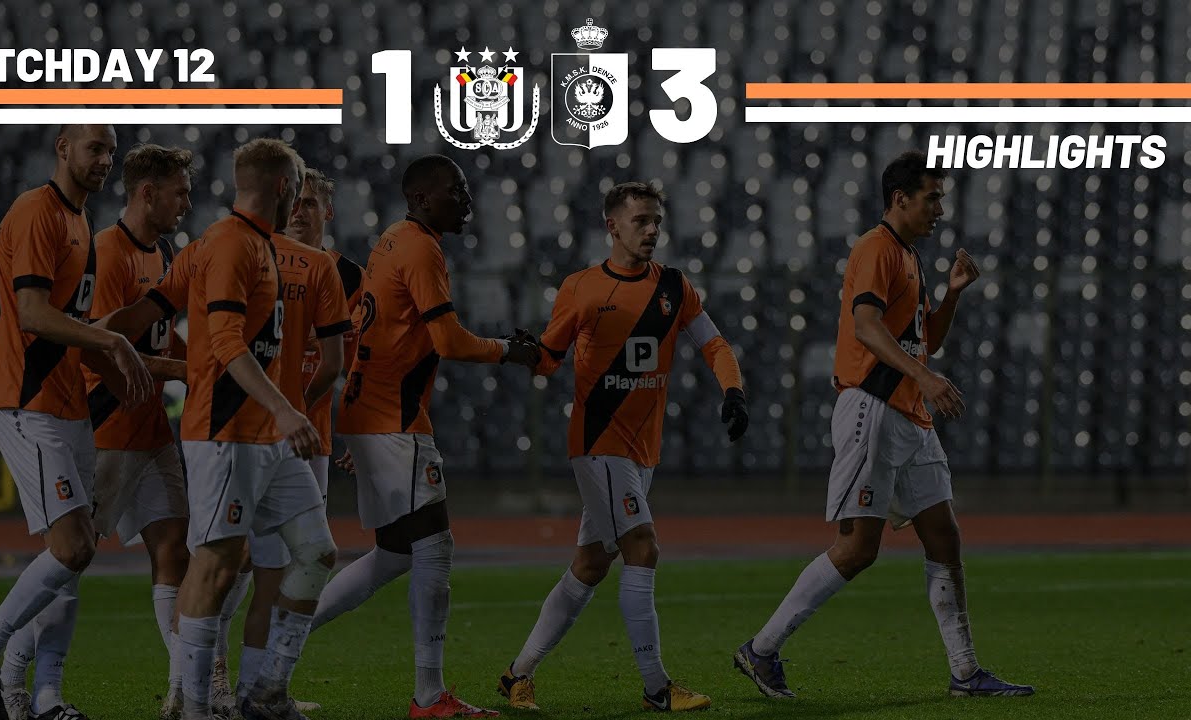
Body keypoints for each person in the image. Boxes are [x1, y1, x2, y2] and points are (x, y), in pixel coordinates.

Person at [732, 150, 1034, 699]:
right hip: (872, 407)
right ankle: (762, 649)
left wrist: (952, 295)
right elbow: (867, 329)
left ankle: (966, 674)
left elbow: (923, 339)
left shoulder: (909, 257)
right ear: (900, 199)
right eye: (932, 197)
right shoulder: (875, 249)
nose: (940, 208)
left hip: (908, 414)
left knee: (944, 536)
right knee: (857, 547)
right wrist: (925, 378)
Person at [495, 181, 749, 713]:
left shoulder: (675, 288)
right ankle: (657, 688)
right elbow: (549, 358)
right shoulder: (582, 288)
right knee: (643, 548)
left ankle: (517, 676)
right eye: (640, 221)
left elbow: (715, 343)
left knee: (589, 565)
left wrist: (733, 390)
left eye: (656, 220)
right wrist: (521, 353)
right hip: (598, 444)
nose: (652, 229)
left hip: (641, 451)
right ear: (612, 225)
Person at [308, 154, 538, 718]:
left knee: (394, 554)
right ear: (420, 199)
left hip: (373, 412)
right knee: (434, 546)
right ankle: (430, 695)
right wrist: (511, 351)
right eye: (453, 190)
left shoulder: (391, 240)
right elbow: (449, 342)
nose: (464, 198)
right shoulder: (420, 247)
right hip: (394, 418)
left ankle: (281, 635)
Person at [128, 137, 333, 720]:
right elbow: (222, 342)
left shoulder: (252, 245)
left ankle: (266, 692)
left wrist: (106, 337)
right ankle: (192, 705)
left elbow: (149, 311)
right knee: (217, 562)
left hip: (266, 437)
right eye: (297, 187)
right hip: (227, 433)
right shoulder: (229, 245)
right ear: (282, 188)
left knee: (317, 552)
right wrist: (287, 410)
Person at [0, 123, 154, 720]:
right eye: (95, 148)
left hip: (65, 404)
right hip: (26, 399)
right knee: (70, 547)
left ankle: (41, 698)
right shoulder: (36, 213)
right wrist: (114, 342)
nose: (104, 160)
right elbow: (37, 316)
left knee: (78, 552)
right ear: (62, 149)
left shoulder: (78, 223)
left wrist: (140, 367)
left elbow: (80, 333)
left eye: (111, 152)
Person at [0, 143, 195, 720]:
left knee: (173, 549)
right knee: (69, 557)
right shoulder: (105, 254)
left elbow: (157, 340)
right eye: (178, 191)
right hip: (106, 427)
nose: (186, 202)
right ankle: (17, 673)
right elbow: (100, 350)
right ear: (147, 193)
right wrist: (189, 371)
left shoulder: (160, 254)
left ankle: (184, 691)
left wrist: (200, 360)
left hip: (152, 430)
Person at [209, 167, 365, 717]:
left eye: (312, 204)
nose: (300, 212)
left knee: (285, 564)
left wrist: (313, 414)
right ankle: (216, 679)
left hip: (310, 437)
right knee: (242, 560)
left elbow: (348, 362)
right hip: (251, 433)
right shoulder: (256, 255)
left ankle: (261, 685)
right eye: (294, 202)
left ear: (329, 212)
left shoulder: (346, 275)